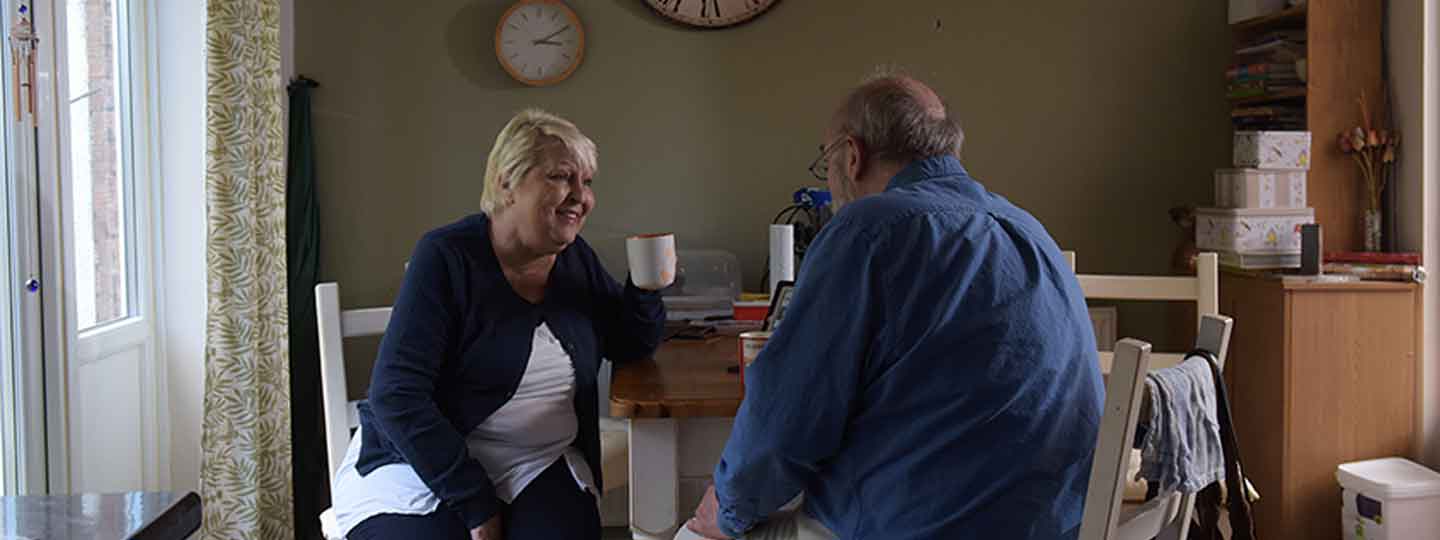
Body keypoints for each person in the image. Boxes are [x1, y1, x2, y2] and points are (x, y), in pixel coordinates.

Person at [681, 74, 1104, 540]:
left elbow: (785, 422)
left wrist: (724, 511)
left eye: (827, 162)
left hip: (923, 528)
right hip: (1054, 526)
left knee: (697, 533)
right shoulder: (1028, 228)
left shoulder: (870, 229)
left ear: (853, 155)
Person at [330, 109, 666, 540]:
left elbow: (629, 343)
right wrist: (475, 502)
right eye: (562, 177)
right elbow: (397, 395)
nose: (580, 196)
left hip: (536, 458)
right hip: (423, 461)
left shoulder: (575, 258)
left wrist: (646, 288)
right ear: (507, 182)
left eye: (588, 182)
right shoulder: (447, 256)